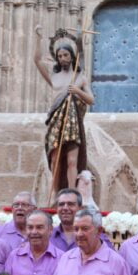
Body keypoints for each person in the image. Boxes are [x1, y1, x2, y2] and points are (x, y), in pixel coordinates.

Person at [34, 26, 94, 200]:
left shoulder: (79, 76)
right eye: (59, 56)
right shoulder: (53, 77)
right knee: (55, 159)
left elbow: (91, 100)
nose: (62, 59)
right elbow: (37, 60)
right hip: (56, 120)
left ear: (71, 56)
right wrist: (38, 38)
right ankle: (53, 194)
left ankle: (72, 193)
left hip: (72, 121)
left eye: (66, 55)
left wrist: (77, 91)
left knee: (71, 161)